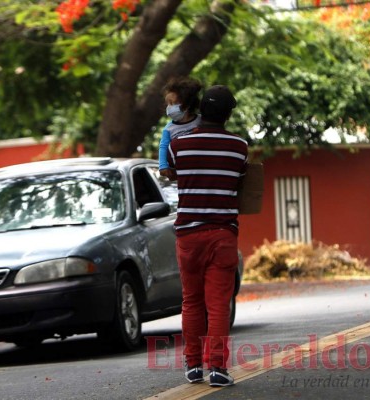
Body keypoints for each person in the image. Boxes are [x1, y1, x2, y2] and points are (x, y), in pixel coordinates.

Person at [167, 85, 248, 387]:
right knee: (218, 305)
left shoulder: (179, 145)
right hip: (222, 235)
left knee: (191, 301)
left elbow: (173, 173)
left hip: (188, 235)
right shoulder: (239, 147)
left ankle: (192, 366)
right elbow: (240, 186)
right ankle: (217, 369)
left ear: (201, 109)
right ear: (228, 114)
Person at [158, 77, 202, 180]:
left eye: (172, 103)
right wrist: (163, 165)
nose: (169, 108)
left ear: (187, 104)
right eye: (168, 104)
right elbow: (163, 147)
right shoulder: (168, 129)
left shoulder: (201, 121)